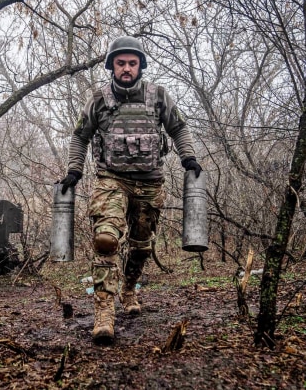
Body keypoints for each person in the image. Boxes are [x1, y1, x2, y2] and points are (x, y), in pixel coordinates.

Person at [58, 35, 202, 344]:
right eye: (120, 63)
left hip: (150, 181)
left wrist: (188, 156)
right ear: (112, 66)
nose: (126, 69)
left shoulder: (157, 96)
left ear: (140, 66)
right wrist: (74, 170)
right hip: (111, 178)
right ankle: (104, 314)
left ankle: (128, 289)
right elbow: (79, 136)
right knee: (106, 239)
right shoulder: (99, 99)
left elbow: (179, 127)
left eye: (132, 63)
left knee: (141, 246)